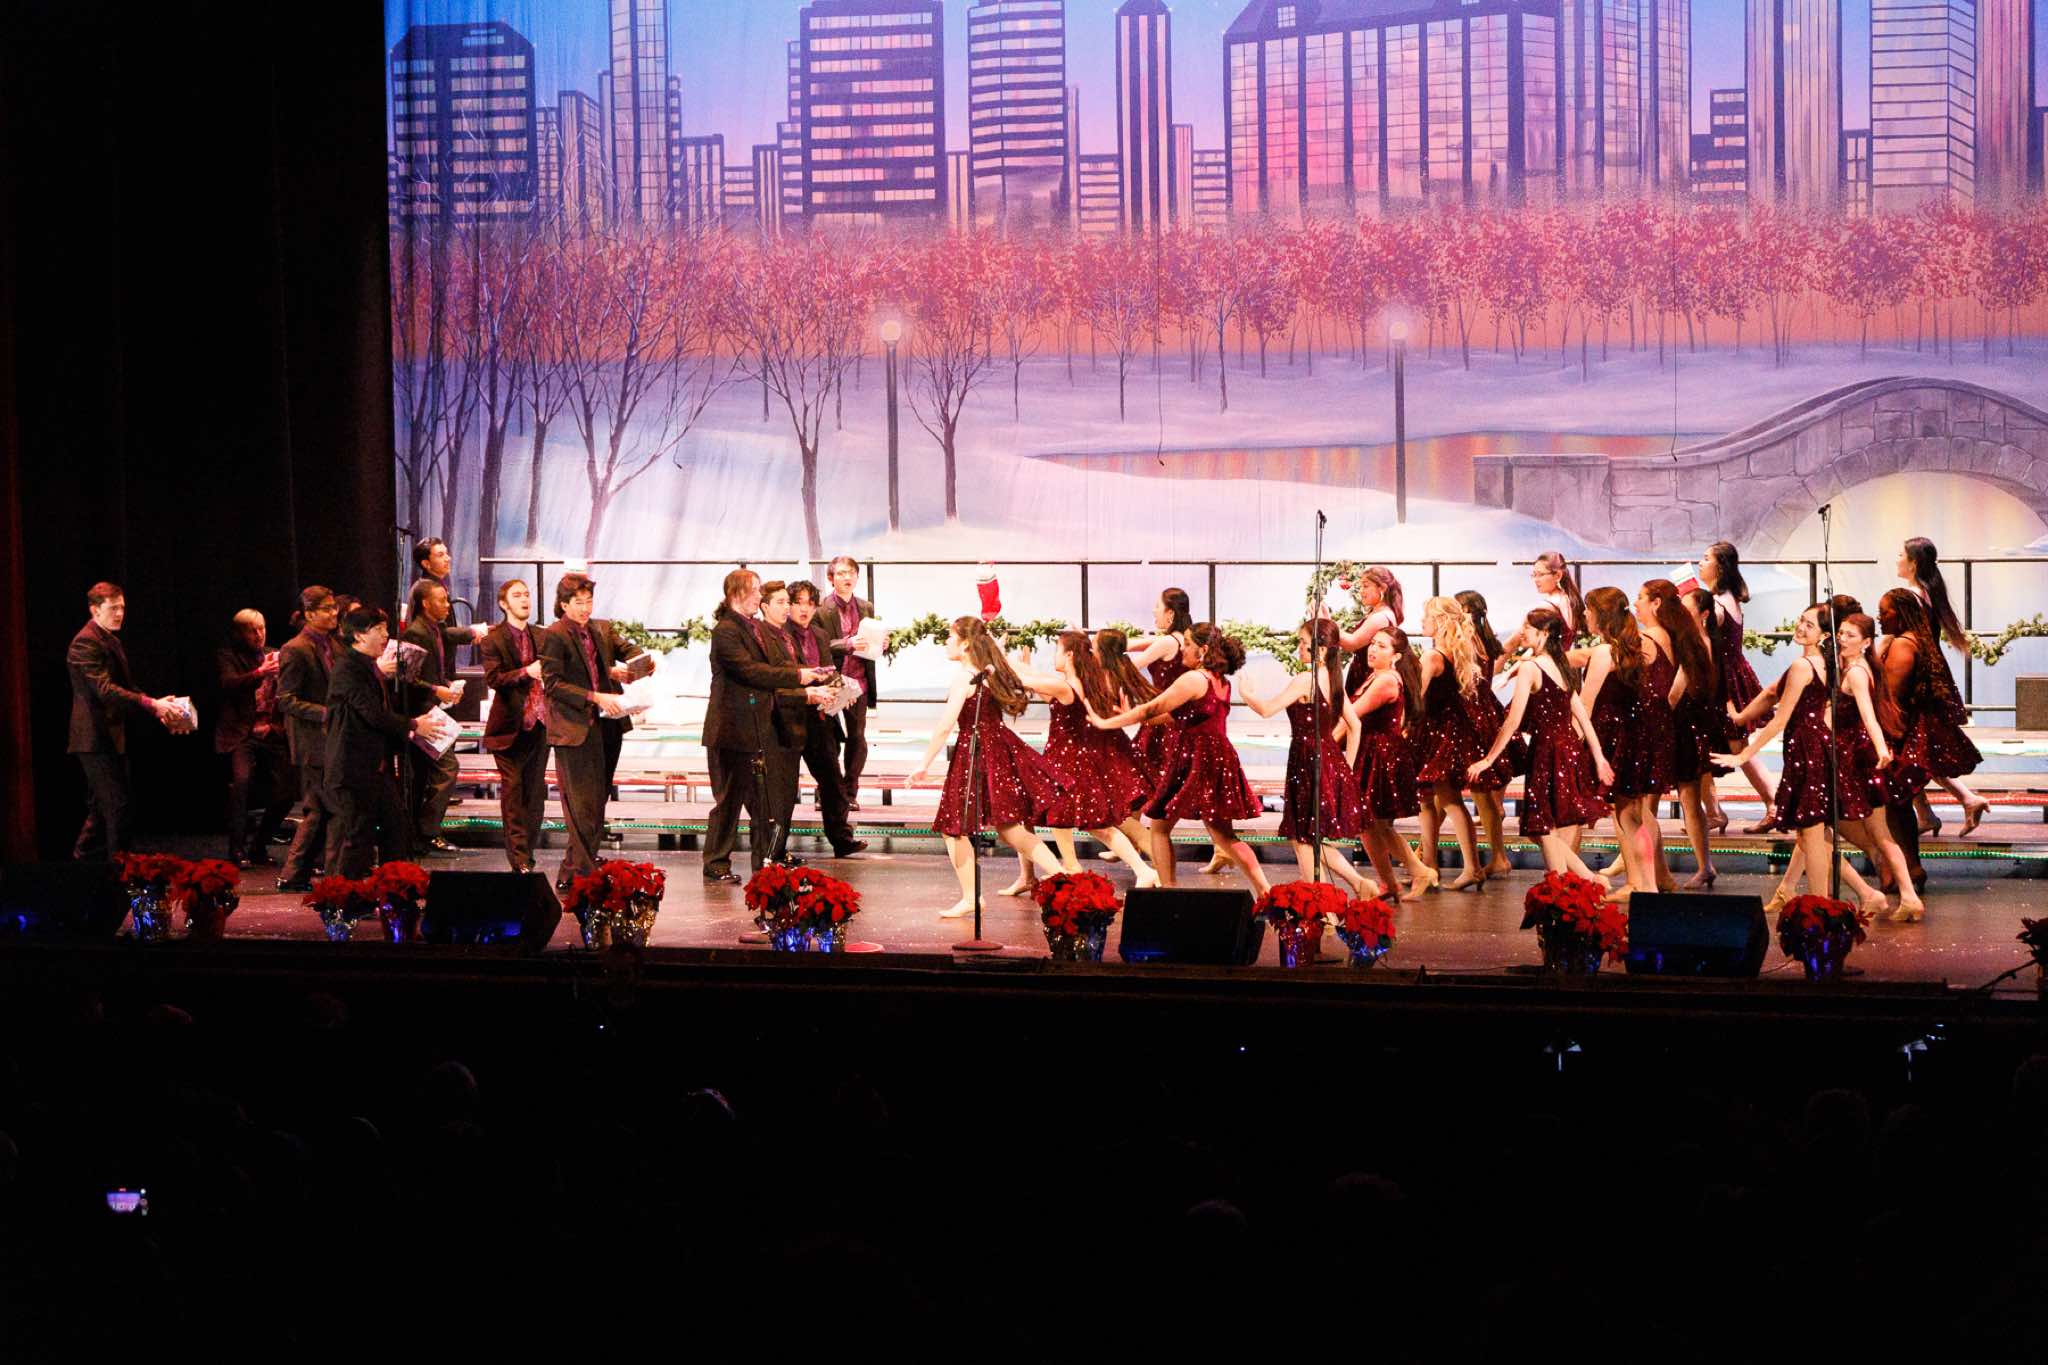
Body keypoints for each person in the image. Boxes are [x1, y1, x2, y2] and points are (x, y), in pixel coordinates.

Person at [1715, 604, 1891, 919]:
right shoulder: (1829, 663)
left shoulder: (1803, 666)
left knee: (1811, 834)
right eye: (1801, 620)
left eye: (1809, 625)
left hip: (1808, 751)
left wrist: (1743, 755)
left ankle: (1822, 909)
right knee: (1810, 835)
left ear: (1823, 635)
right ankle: (1852, 897)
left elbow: (1779, 720)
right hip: (1814, 748)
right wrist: (1740, 716)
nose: (1800, 627)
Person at [1087, 624, 1271, 898]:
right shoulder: (1219, 680)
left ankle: (1169, 893)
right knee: (1223, 836)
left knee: (1159, 826)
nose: (1181, 649)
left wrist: (1107, 722)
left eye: (1186, 644)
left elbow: (1152, 708)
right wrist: (1130, 715)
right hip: (1216, 757)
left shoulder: (1193, 679)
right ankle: (1265, 891)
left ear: (1203, 650)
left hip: (1196, 759)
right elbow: (1172, 717)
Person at [908, 617, 1070, 919]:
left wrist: (923, 764)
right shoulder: (988, 673)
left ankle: (973, 897)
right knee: (1009, 828)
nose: (946, 642)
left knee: (954, 828)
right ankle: (1063, 876)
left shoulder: (966, 677)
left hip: (975, 752)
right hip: (998, 748)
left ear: (965, 644)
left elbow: (945, 726)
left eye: (950, 637)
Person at [699, 569, 833, 886]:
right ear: (737, 594)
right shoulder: (726, 631)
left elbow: (774, 666)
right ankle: (716, 862)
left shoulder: (754, 628)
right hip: (731, 731)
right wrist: (799, 677)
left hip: (756, 728)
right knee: (729, 800)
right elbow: (752, 671)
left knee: (763, 802)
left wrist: (808, 676)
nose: (760, 596)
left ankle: (766, 862)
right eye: (756, 590)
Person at [1469, 608, 1614, 882]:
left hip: (1548, 753)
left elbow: (1513, 721)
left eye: (1528, 627)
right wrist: (1598, 757)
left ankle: (1574, 883)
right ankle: (1584, 880)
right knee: (1543, 829)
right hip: (1568, 750)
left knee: (1544, 827)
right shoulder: (1558, 665)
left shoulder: (1531, 667)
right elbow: (1582, 716)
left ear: (1544, 634)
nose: (1522, 632)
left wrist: (1488, 760)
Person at [1236, 619, 1376, 895]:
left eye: (1303, 642)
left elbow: (1266, 709)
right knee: (1309, 837)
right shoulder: (1333, 680)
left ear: (1320, 649)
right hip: (1329, 759)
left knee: (1302, 836)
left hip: (1307, 760)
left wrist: (1246, 693)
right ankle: (1358, 885)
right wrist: (1347, 768)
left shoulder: (1305, 680)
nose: (1299, 648)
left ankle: (1320, 904)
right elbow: (1355, 725)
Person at [1011, 630, 1159, 883]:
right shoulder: (1078, 682)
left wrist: (996, 660)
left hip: (1070, 764)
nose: (1054, 656)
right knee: (1089, 824)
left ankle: (1142, 870)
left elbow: (1025, 680)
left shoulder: (1066, 685)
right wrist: (1017, 664)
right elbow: (1038, 683)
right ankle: (1075, 867)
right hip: (1067, 761)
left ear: (1069, 654)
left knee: (1099, 825)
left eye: (1057, 650)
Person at [540, 572, 649, 891]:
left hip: (606, 727)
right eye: (578, 602)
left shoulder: (601, 628)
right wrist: (596, 696)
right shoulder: (555, 635)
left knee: (596, 802)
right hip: (573, 728)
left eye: (589, 601)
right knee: (581, 805)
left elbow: (630, 651)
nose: (585, 608)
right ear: (564, 605)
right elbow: (554, 684)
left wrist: (636, 667)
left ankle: (571, 871)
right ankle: (584, 874)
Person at [67, 582, 189, 860]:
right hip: (94, 738)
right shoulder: (85, 642)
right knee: (116, 806)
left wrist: (159, 707)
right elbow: (105, 690)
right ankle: (119, 872)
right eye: (113, 608)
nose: (120, 613)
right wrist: (152, 705)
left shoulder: (110, 640)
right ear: (95, 610)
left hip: (110, 736)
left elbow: (127, 687)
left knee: (102, 809)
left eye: (122, 607)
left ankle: (83, 863)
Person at [325, 606, 436, 877]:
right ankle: (343, 895)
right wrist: (413, 725)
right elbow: (371, 713)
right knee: (357, 836)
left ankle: (392, 890)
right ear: (359, 635)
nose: (386, 635)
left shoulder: (369, 667)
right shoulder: (348, 667)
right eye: (378, 629)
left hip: (377, 767)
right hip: (354, 768)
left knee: (395, 828)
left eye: (385, 628)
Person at [1580, 587, 1672, 903]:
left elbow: (1585, 705)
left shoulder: (1607, 652)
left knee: (1629, 816)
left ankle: (1646, 885)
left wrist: (1574, 746)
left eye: (1589, 610)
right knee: (1633, 814)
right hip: (1643, 738)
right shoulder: (1642, 644)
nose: (1585, 615)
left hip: (1620, 742)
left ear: (1602, 615)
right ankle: (1645, 882)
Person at [1896, 538, 1990, 836]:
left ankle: (1944, 806)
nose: (1897, 559)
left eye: (1901, 555)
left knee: (1909, 749)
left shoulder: (1910, 597)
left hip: (1914, 682)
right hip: (1927, 678)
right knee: (1916, 750)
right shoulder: (1926, 593)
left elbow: (1905, 641)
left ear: (1913, 563)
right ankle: (1944, 806)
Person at [1687, 541, 1776, 832]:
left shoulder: (1717, 604)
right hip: (1722, 677)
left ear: (1720, 566)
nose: (1700, 563)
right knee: (1701, 745)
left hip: (1723, 683)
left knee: (1739, 747)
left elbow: (1700, 642)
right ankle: (1714, 811)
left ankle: (1773, 803)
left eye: (1706, 558)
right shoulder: (1724, 598)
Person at [1349, 626, 1437, 898]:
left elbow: (1352, 715)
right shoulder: (1374, 676)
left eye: (1382, 646)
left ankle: (1418, 872)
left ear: (1396, 655)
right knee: (1369, 825)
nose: (1373, 649)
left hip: (1382, 755)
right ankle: (1391, 883)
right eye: (1372, 643)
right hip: (1372, 752)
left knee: (1376, 824)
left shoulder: (1387, 680)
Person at [784, 580, 867, 861]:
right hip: (792, 715)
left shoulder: (819, 634)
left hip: (820, 717)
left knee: (832, 780)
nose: (804, 609)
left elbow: (830, 670)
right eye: (798, 603)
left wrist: (842, 690)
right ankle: (776, 847)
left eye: (810, 603)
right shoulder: (781, 634)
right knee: (785, 786)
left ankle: (842, 839)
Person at [1411, 597, 1487, 891]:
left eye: (1426, 617)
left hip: (1437, 733)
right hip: (1446, 731)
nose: (1422, 622)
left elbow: (1416, 695)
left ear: (1440, 621)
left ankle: (1472, 867)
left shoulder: (1433, 656)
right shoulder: (1455, 653)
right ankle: (1429, 865)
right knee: (1429, 800)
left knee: (1449, 799)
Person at [1649, 582, 1720, 890]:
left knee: (1679, 799)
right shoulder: (1688, 640)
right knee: (1665, 799)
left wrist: (1652, 721)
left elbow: (1675, 693)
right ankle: (1648, 864)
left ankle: (1698, 866)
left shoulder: (1693, 642)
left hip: (1681, 727)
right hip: (1681, 725)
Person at [275, 586, 343, 892]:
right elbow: (286, 700)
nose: (334, 613)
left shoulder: (333, 644)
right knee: (325, 808)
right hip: (312, 741)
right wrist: (325, 713)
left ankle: (294, 875)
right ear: (310, 614)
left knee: (319, 809)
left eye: (334, 607)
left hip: (331, 740)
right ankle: (317, 877)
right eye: (327, 609)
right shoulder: (296, 648)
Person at [479, 579, 549, 875]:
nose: (524, 599)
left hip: (540, 725)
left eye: (527, 594)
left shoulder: (542, 635)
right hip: (508, 729)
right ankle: (518, 858)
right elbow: (494, 678)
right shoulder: (493, 639)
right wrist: (526, 672)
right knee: (514, 791)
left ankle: (527, 855)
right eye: (517, 595)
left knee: (535, 793)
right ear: (503, 603)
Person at [215, 608, 293, 866]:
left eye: (262, 629)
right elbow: (227, 684)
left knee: (287, 792)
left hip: (272, 731)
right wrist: (260, 673)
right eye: (252, 631)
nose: (259, 635)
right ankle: (237, 850)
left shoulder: (275, 653)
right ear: (239, 633)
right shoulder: (228, 656)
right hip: (243, 734)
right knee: (241, 784)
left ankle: (259, 845)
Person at [754, 580, 822, 867]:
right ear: (764, 606)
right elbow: (774, 682)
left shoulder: (786, 636)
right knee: (775, 796)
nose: (787, 608)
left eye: (787, 602)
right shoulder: (761, 636)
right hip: (774, 724)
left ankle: (778, 851)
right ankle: (770, 855)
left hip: (793, 724)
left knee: (786, 794)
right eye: (781, 603)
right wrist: (806, 693)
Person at [400, 579, 467, 855]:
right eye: (442, 600)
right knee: (446, 769)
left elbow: (432, 672)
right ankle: (426, 832)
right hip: (420, 715)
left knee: (426, 775)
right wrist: (436, 689)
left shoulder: (435, 630)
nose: (447, 605)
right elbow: (406, 678)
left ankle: (421, 834)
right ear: (426, 604)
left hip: (433, 709)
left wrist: (447, 686)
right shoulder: (415, 632)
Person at [1455, 590, 1517, 876]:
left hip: (1472, 714)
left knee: (1475, 790)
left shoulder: (1469, 641)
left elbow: (1466, 683)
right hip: (1484, 710)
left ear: (1467, 611)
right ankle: (1424, 856)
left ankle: (1498, 856)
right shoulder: (1487, 640)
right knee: (1456, 792)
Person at [816, 555, 879, 809]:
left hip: (859, 679)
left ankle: (850, 793)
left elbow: (870, 641)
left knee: (857, 738)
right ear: (831, 578)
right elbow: (820, 646)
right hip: (833, 680)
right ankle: (827, 792)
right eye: (841, 573)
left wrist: (880, 643)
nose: (847, 577)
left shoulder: (866, 607)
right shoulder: (821, 610)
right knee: (828, 740)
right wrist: (847, 644)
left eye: (851, 572)